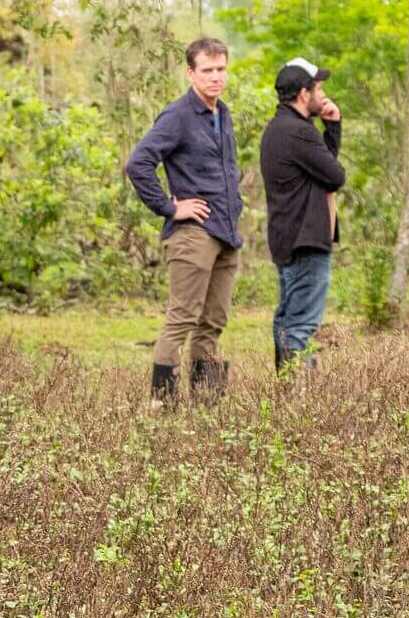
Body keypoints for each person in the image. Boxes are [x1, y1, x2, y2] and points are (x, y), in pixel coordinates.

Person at [124, 36, 242, 406]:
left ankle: (207, 406)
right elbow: (138, 164)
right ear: (190, 73)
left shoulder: (222, 114)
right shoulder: (177, 116)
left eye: (221, 69)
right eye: (207, 70)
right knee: (182, 319)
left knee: (213, 323)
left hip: (226, 233)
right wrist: (170, 207)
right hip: (193, 235)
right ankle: (164, 407)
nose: (215, 77)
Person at [260, 58, 344, 373]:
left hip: (288, 237)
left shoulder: (280, 128)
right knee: (301, 325)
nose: (322, 94)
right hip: (306, 239)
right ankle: (301, 402)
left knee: (287, 318)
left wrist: (330, 127)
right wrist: (332, 127)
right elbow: (335, 176)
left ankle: (288, 395)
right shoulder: (299, 133)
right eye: (318, 87)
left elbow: (321, 169)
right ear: (303, 93)